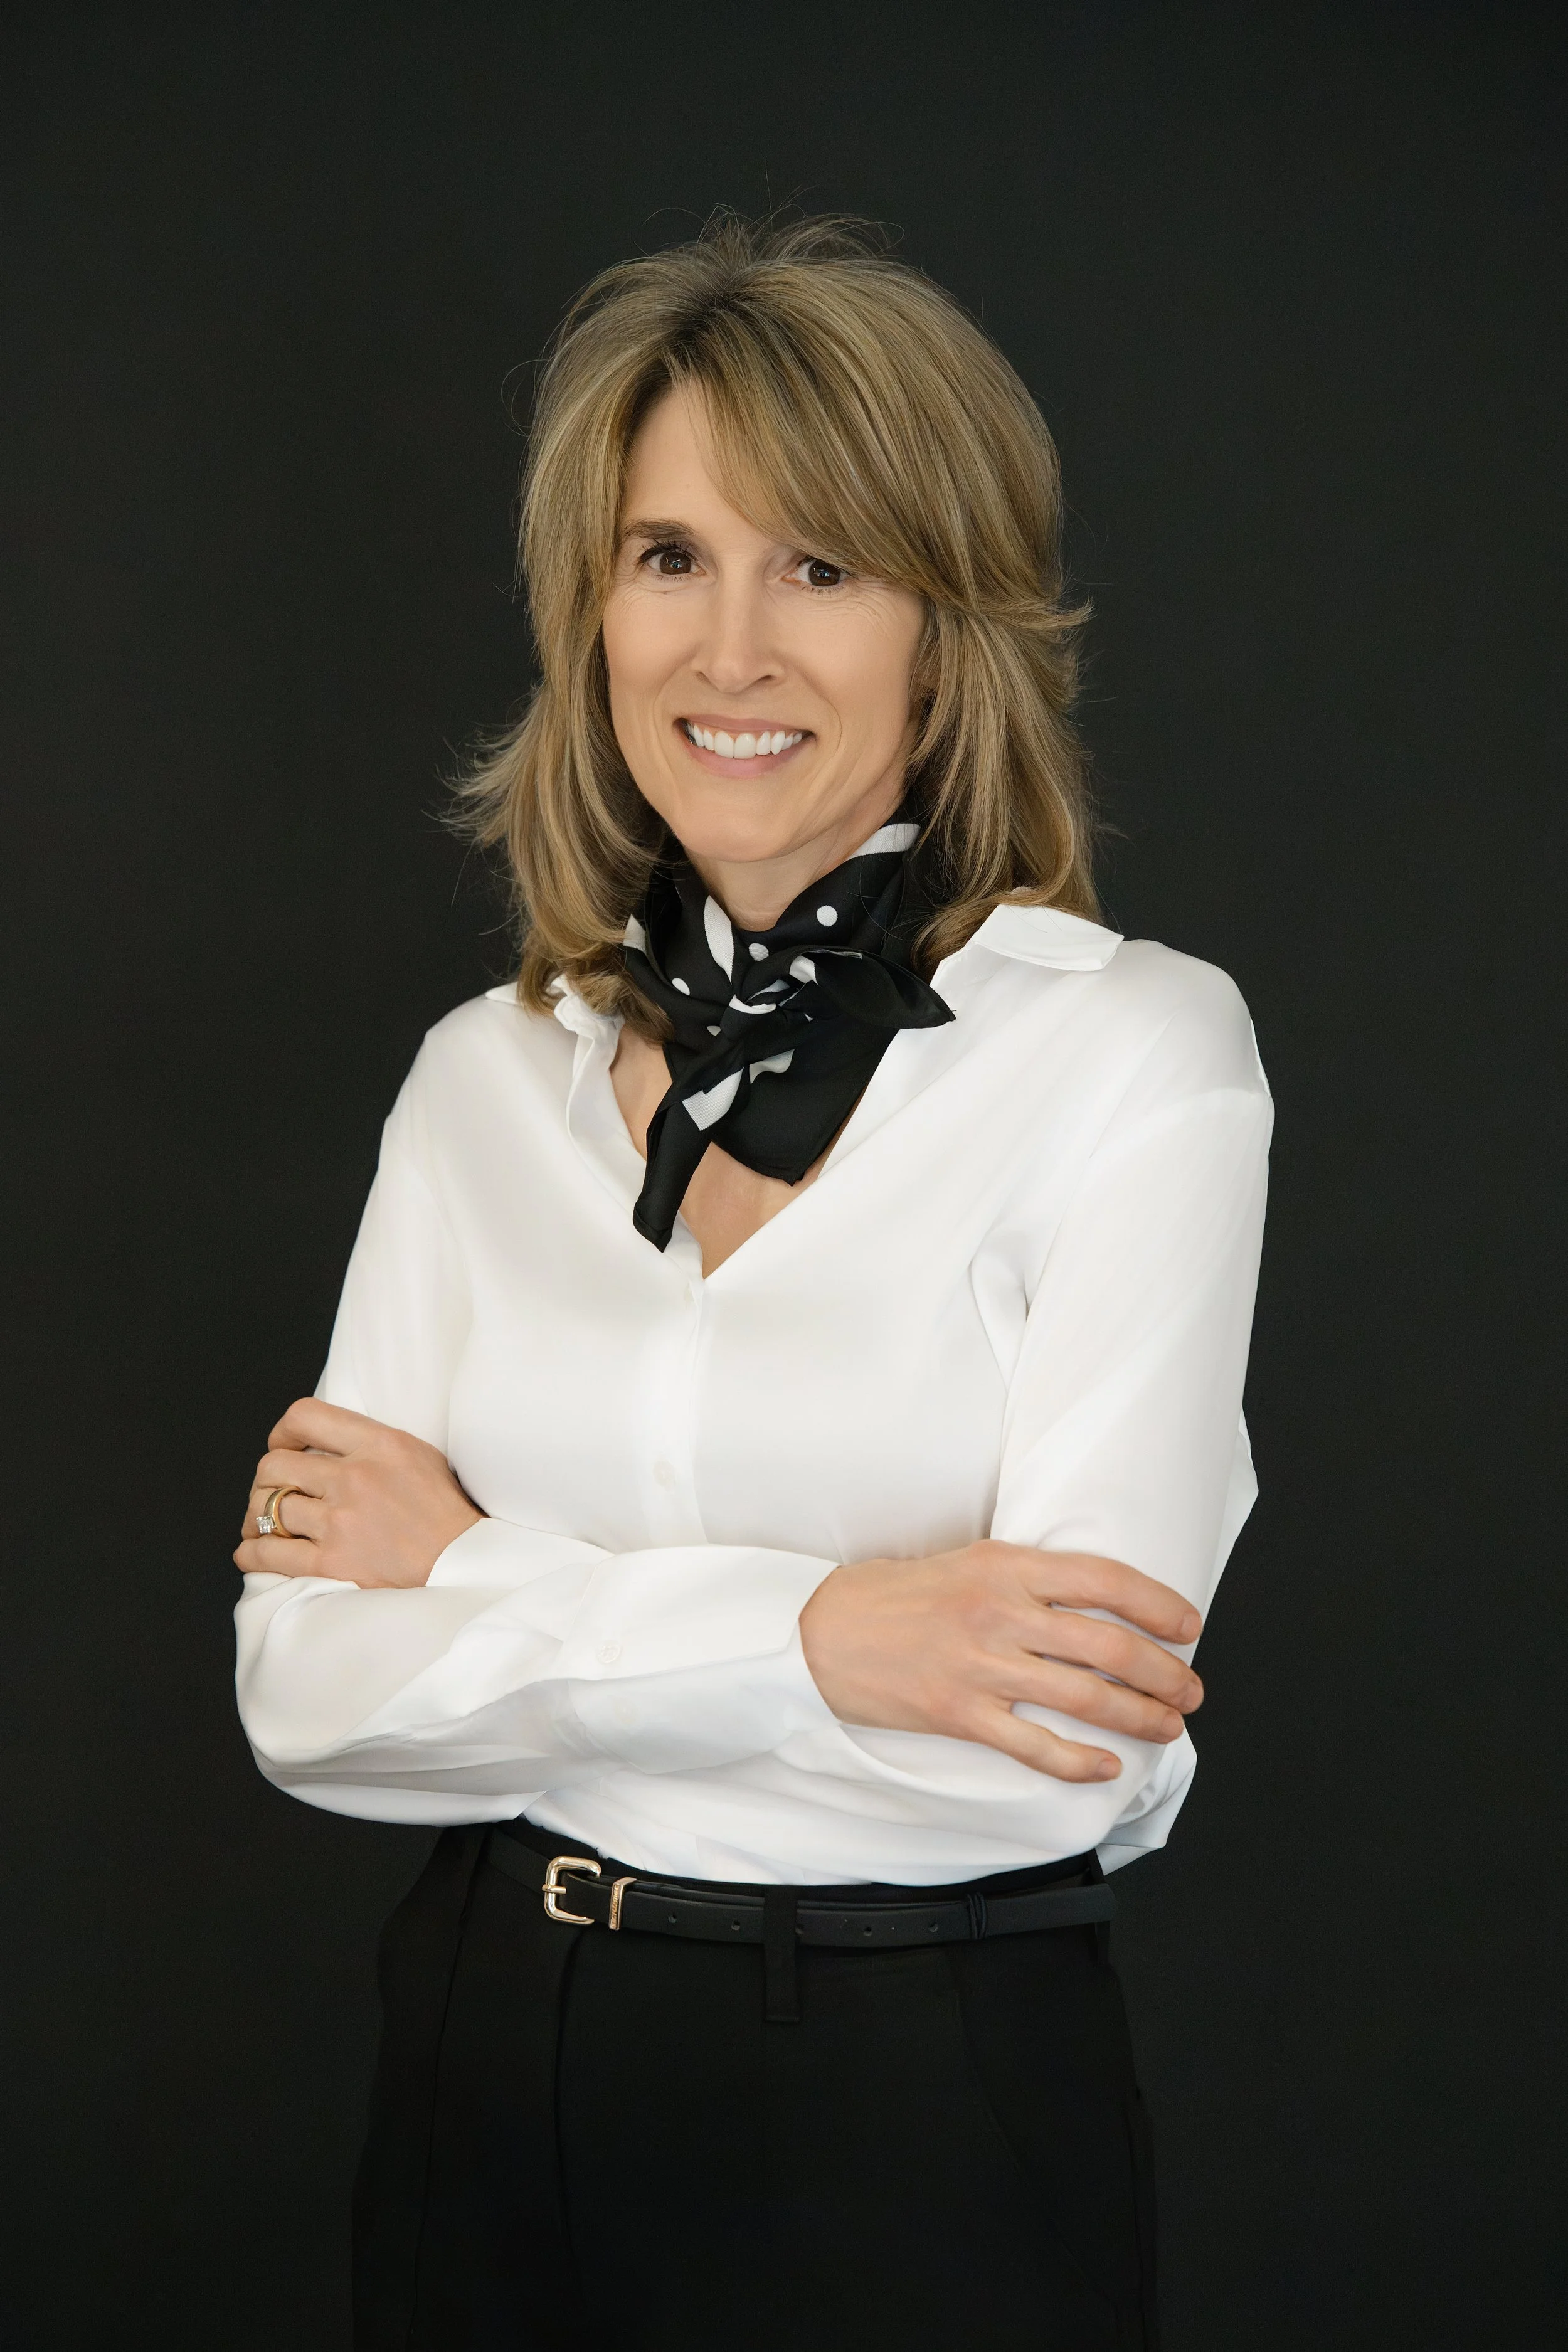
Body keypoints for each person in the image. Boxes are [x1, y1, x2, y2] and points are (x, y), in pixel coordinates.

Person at [234, 214, 1271, 2352]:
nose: (732, 648)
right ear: (587, 612)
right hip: (482, 2072)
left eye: (820, 565)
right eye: (667, 557)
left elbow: (1056, 1754)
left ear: (943, 624)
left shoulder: (1137, 1058)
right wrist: (830, 1633)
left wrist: (486, 1584)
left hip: (915, 2102)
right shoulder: (474, 1086)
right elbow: (305, 1693)